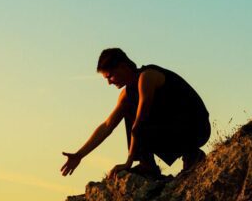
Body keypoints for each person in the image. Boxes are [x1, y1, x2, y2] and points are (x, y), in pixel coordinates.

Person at [61, 48, 210, 179]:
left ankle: (186, 156)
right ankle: (150, 165)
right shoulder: (127, 94)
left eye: (110, 76)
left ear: (123, 67)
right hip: (175, 129)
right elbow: (107, 126)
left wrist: (129, 161)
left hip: (196, 128)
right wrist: (79, 155)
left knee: (135, 112)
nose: (109, 83)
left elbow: (140, 122)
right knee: (129, 106)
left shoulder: (147, 77)